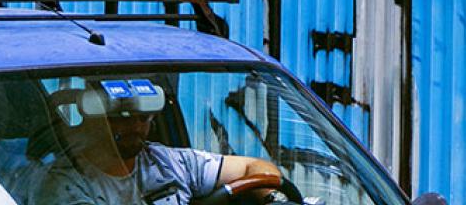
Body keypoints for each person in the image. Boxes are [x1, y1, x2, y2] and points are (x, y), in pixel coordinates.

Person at [34, 84, 281, 205]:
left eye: (143, 118)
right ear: (94, 121)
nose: (135, 127)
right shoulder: (64, 185)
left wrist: (274, 201)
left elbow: (255, 167)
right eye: (122, 119)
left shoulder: (168, 163)